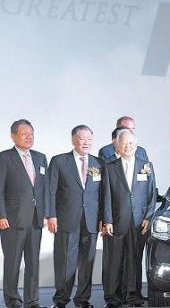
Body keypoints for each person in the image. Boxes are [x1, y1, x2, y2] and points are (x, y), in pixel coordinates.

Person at [46, 125, 105, 308]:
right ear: (73, 140)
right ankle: (61, 300)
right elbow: (50, 190)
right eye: (82, 138)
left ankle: (82, 299)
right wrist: (51, 215)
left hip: (91, 220)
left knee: (87, 263)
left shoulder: (98, 163)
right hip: (66, 220)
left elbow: (103, 195)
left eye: (89, 139)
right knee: (65, 263)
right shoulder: (59, 161)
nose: (86, 142)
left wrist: (103, 218)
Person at [102, 129, 156, 308]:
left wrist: (149, 217)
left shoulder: (146, 165)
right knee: (115, 260)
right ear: (117, 145)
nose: (128, 147)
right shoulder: (110, 167)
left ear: (136, 144)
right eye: (124, 143)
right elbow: (106, 196)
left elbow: (151, 195)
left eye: (131, 143)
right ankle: (113, 297)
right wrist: (107, 220)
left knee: (135, 259)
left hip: (139, 222)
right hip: (117, 221)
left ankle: (133, 295)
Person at [0, 119, 48, 308]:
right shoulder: (4, 158)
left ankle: (32, 300)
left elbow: (43, 189)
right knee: (12, 263)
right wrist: (1, 215)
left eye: (31, 133)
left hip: (35, 220)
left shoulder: (40, 157)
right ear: (13, 136)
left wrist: (46, 213)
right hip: (12, 220)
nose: (29, 137)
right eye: (24, 133)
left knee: (33, 263)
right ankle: (12, 301)